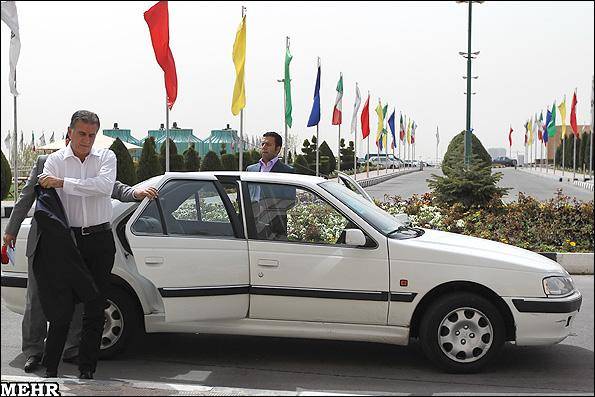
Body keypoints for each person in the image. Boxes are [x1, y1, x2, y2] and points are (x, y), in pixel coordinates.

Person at [2, 135, 157, 376]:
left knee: (76, 300)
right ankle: (34, 351)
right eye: (75, 137)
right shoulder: (47, 162)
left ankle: (71, 348)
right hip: (45, 243)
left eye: (88, 137)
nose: (80, 143)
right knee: (38, 299)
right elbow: (26, 198)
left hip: (74, 245)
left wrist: (135, 193)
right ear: (69, 137)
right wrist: (10, 230)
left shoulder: (91, 162)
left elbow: (111, 186)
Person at [35, 110, 119, 379]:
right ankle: (50, 370)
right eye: (81, 134)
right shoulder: (55, 161)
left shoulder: (107, 156)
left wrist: (63, 183)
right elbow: (46, 192)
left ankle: (87, 370)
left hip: (100, 240)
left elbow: (104, 187)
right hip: (67, 242)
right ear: (70, 131)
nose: (86, 140)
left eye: (92, 135)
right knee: (62, 309)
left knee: (95, 308)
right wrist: (71, 183)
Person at [246, 132, 295, 240]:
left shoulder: (286, 171)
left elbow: (290, 200)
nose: (264, 147)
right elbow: (245, 197)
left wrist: (267, 208)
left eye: (268, 144)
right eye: (262, 144)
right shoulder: (251, 170)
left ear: (277, 149)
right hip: (251, 226)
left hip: (275, 227)